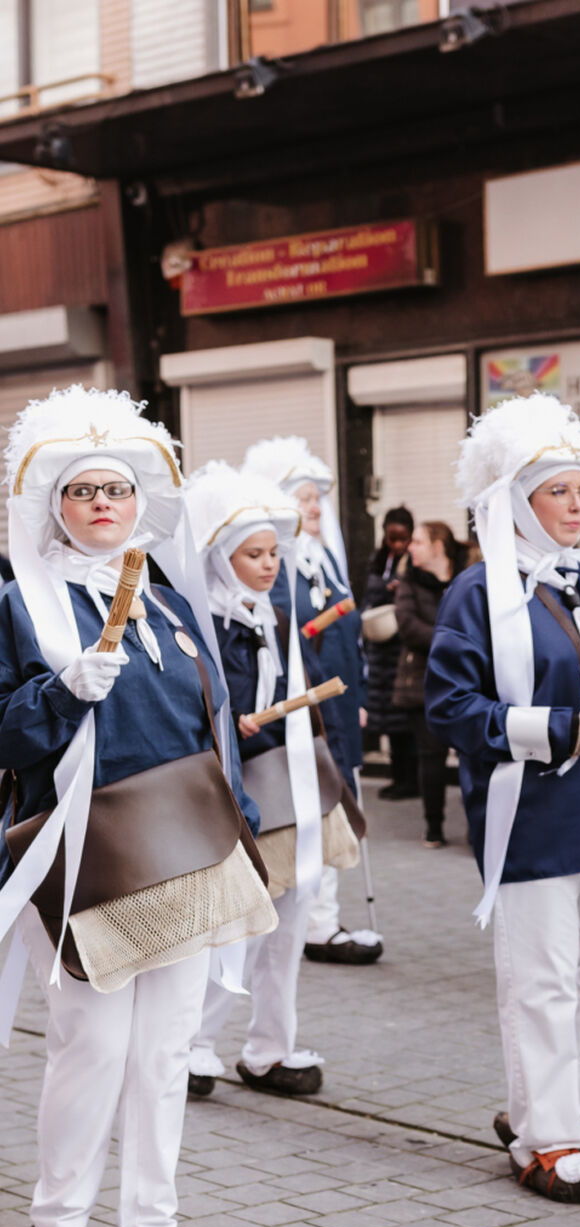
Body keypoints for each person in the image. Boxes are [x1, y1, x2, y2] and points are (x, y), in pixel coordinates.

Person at [0, 386, 271, 1227]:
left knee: (164, 1048)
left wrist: (238, 815)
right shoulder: (22, 605)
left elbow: (210, 725)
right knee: (95, 1042)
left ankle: (151, 1223)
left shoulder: (169, 603)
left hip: (188, 848)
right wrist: (57, 691)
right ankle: (59, 1212)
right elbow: (5, 733)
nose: (103, 505)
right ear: (55, 507)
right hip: (92, 850)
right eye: (83, 493)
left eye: (116, 490)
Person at [425, 393, 580, 1203]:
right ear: (516, 500)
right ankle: (550, 1135)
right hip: (532, 810)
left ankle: (554, 1109)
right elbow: (450, 709)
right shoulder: (477, 590)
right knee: (542, 978)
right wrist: (547, 727)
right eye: (558, 491)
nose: (575, 506)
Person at [185, 463, 332, 1100]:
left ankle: (271, 1046)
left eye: (274, 551)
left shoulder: (270, 615)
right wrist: (221, 726)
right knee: (232, 925)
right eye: (254, 553)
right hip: (224, 795)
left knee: (287, 920)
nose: (270, 564)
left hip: (283, 783)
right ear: (220, 557)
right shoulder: (199, 621)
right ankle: (193, 1042)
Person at [244, 436, 381, 966]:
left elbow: (349, 642)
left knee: (338, 808)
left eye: (317, 499)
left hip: (340, 708)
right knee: (314, 810)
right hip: (308, 710)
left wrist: (360, 696)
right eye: (303, 498)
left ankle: (324, 916)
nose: (315, 508)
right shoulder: (278, 568)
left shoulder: (322, 560)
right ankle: (316, 923)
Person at [392, 520, 469, 847]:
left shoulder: (468, 578)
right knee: (432, 756)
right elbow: (408, 627)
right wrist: (457, 641)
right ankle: (434, 827)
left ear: (439, 546)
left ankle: (476, 827)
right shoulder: (408, 582)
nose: (411, 547)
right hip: (421, 682)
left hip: (467, 680)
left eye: (418, 542)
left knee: (471, 753)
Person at [363, 506, 417, 801]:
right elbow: (367, 591)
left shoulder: (414, 560)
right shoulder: (378, 558)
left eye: (402, 539)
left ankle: (410, 780)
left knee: (404, 719)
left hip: (401, 648)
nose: (397, 545)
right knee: (388, 719)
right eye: (391, 538)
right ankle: (399, 776)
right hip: (379, 647)